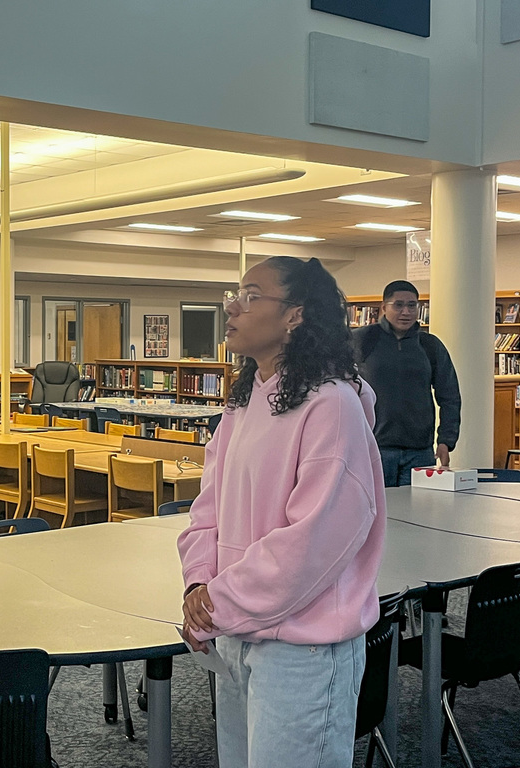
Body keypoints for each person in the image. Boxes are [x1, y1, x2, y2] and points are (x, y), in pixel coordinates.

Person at [178, 256, 386, 768]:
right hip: (235, 632)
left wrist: (216, 601)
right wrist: (197, 586)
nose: (232, 307)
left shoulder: (332, 404)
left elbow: (313, 541)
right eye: (236, 293)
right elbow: (208, 507)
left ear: (295, 315)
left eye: (251, 296)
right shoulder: (244, 399)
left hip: (303, 650)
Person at [353, 279, 461, 487]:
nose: (406, 312)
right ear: (384, 307)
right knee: (376, 512)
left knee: (418, 512)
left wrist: (446, 440)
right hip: (374, 447)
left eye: (412, 305)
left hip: (419, 451)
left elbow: (450, 396)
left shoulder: (430, 346)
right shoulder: (362, 340)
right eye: (399, 305)